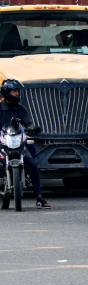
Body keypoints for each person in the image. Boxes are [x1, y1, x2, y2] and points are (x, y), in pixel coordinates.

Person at [0, 79, 51, 209]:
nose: (17, 93)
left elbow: (29, 123)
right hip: (2, 143)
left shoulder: (21, 109)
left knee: (33, 165)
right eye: (14, 91)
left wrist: (33, 127)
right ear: (6, 92)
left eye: (18, 91)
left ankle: (39, 198)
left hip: (18, 143)